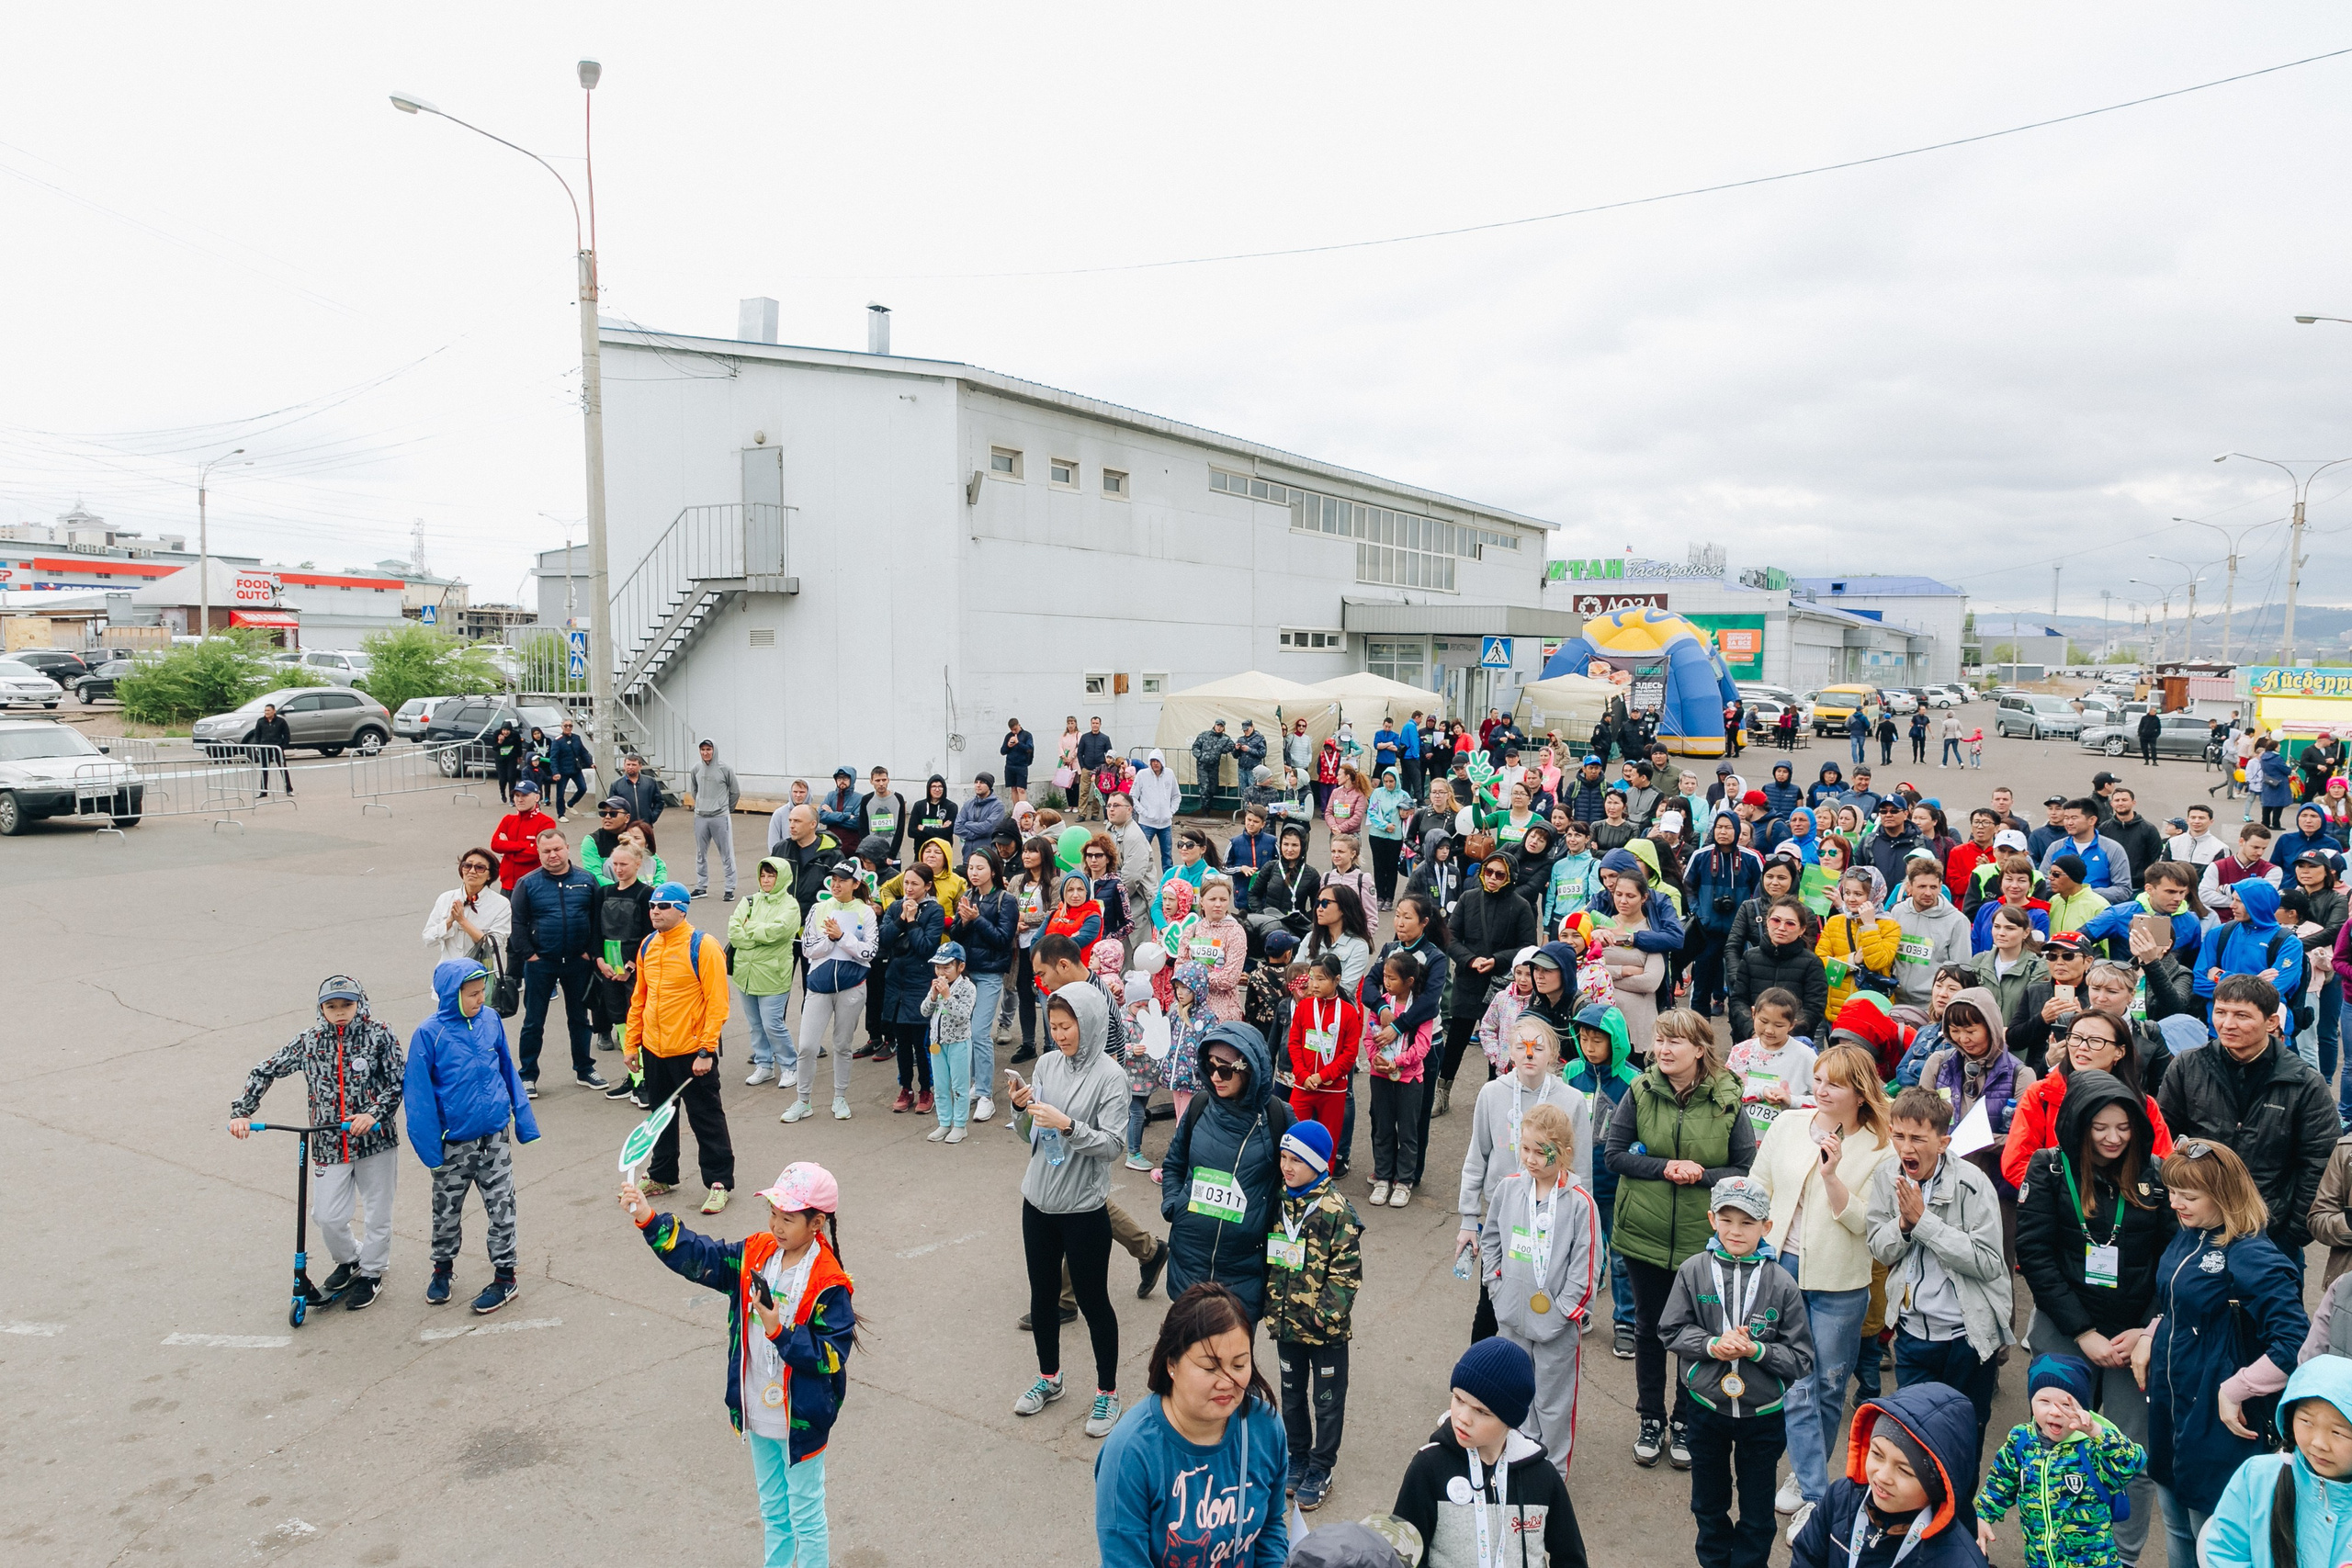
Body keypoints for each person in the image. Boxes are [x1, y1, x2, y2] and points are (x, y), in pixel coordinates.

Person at [618, 1161, 854, 1568]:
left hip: (802, 1418)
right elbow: (701, 1256)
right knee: (773, 1511)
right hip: (757, 1406)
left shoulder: (829, 1282)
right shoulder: (757, 1253)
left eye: (788, 1218)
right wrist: (648, 1219)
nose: (777, 1226)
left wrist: (779, 1331)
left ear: (817, 1222)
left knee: (806, 1513)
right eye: (774, 1215)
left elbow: (830, 1358)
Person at [2010, 1069, 2174, 1564]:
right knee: (2054, 1440)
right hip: (2066, 1328)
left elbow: (2170, 1259)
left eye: (2124, 1127)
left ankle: (2120, 1556)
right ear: (2079, 1124)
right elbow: (2034, 1254)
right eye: (2100, 1127)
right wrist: (2082, 1331)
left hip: (2135, 1337)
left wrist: (2146, 1331)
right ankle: (2055, 1547)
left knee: (2128, 1453)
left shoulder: (2155, 1174)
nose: (2112, 1138)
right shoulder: (2049, 1169)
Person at [2131, 1138, 2312, 1565]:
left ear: (2225, 1194)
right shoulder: (2190, 1233)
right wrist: (2150, 1334)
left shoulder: (2253, 1254)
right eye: (2172, 1191)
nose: (2176, 1204)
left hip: (2219, 1423)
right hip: (2171, 1409)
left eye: (2189, 1196)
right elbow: (2179, 1303)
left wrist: (2237, 1389)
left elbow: (2294, 1342)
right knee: (2176, 1528)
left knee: (2212, 1540)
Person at [1746, 1043, 1896, 1524]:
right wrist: (1754, 1247)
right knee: (1796, 1383)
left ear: (1860, 1091)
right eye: (1818, 1079)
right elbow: (1758, 1186)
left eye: (1834, 1083)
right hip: (1781, 1272)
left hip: (1842, 1282)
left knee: (1829, 1385)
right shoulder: (1790, 1126)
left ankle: (1802, 1476)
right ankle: (1815, 1492)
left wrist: (1832, 1177)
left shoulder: (1880, 1147)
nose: (1822, 1089)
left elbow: (1867, 1224)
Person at [1607, 1008, 1755, 1471]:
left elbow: (1744, 1168)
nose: (1664, 1050)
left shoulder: (1729, 1097)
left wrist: (1703, 1175)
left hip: (1701, 1240)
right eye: (1660, 1040)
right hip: (1643, 1234)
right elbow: (1613, 1155)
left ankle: (1686, 1421)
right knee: (1650, 1330)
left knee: (1696, 1335)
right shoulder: (1641, 1089)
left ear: (1700, 1049)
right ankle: (1650, 1419)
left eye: (1676, 1042)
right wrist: (1664, 1167)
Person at [1657, 1174, 1812, 1568]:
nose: (1736, 1231)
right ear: (1712, 1220)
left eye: (1747, 1223)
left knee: (1758, 1512)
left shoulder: (1782, 1283)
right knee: (1707, 1503)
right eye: (1727, 1220)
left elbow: (1801, 1358)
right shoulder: (1693, 1271)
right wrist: (1712, 1345)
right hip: (1705, 1409)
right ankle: (1713, 1562)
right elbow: (1670, 1330)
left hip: (1762, 1418)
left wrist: (1758, 1350)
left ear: (1767, 1227)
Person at [227, 976, 405, 1312]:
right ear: (321, 1008)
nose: (340, 1013)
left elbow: (399, 1082)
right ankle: (350, 1258)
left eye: (347, 1005)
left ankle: (371, 1273)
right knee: (327, 1216)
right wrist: (242, 1112)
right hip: (327, 1143)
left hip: (376, 1142)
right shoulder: (309, 1041)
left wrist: (375, 1114)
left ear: (360, 1003)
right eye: (332, 1006)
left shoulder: (379, 1034)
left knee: (377, 1212)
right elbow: (265, 1070)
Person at [1095, 1283, 1290, 1568]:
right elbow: (1123, 1559)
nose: (1228, 1383)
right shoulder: (1130, 1452)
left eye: (1239, 1365)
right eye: (1210, 1367)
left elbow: (1271, 1527)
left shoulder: (1265, 1427)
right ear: (1172, 1364)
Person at [1011, 983, 1130, 1435]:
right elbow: (1029, 1136)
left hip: (1083, 1209)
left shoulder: (1111, 1077)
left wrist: (1069, 1124)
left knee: (1094, 1300)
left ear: (1090, 1022)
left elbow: (1114, 1146)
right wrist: (1021, 1108)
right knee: (1042, 1296)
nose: (1058, 1035)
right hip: (1038, 1200)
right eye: (1053, 1026)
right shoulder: (1044, 1064)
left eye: (1067, 1026)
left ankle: (1107, 1393)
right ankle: (1049, 1378)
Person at [1865, 1087, 2015, 1446]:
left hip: (1967, 1338)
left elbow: (1989, 1262)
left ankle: (1960, 1504)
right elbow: (1880, 1249)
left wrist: (1923, 1222)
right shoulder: (1887, 1176)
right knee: (1914, 1442)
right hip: (1914, 1335)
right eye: (1898, 1136)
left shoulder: (1972, 1183)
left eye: (1918, 1138)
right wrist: (1902, 1225)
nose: (1906, 1148)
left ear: (1943, 1142)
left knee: (1963, 1438)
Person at [2157, 973, 2339, 1262]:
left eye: (2242, 1015)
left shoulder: (2304, 1082)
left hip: (2271, 1233)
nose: (2227, 1024)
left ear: (2271, 1021)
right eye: (2220, 1012)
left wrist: (2293, 1232)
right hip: (2194, 1226)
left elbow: (2319, 1162)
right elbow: (2163, 1141)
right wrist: (2174, 1211)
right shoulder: (2187, 1066)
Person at [403, 958, 539, 1313]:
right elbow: (417, 1096)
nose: (482, 999)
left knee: (502, 1207)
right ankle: (442, 1271)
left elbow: (508, 1069)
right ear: (452, 994)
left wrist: (523, 1122)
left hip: (494, 1136)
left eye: (483, 992)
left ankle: (506, 1277)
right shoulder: (429, 1034)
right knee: (446, 1211)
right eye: (474, 994)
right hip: (454, 1144)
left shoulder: (491, 1020)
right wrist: (432, 1150)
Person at [1476, 1101, 1600, 1481]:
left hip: (1556, 1328)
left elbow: (1587, 1267)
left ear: (1563, 1153)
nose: (1529, 1159)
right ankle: (1517, 1463)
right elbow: (1492, 1237)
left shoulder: (1581, 1205)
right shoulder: (1510, 1189)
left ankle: (1553, 1474)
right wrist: (1496, 1286)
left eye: (1539, 1151)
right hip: (1512, 1317)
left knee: (1553, 1403)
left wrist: (1563, 1313)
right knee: (1515, 1395)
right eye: (1525, 1148)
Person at [1390, 1337, 1588, 1568]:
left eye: (1481, 1412)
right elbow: (1402, 1557)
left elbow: (1570, 1557)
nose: (1463, 1417)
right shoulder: (1428, 1467)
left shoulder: (1542, 1476)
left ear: (1510, 1421)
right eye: (1458, 1399)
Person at [1458, 1018, 1593, 1342]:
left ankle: (1530, 1378)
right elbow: (1478, 1156)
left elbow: (1583, 1167)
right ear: (1510, 1053)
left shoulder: (1572, 1099)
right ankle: (1479, 1381)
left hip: (1555, 1215)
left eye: (1538, 1047)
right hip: (1504, 1214)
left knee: (1543, 1292)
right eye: (1521, 1047)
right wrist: (1468, 1218)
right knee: (1491, 1300)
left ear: (1553, 1054)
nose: (1530, 1054)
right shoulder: (1491, 1094)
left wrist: (1581, 1223)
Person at [1162, 1018, 1294, 1319]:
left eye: (1225, 1069)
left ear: (1249, 1070)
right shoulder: (1199, 1107)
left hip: (1243, 1271)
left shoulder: (1278, 1117)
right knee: (1190, 1358)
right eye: (1210, 1067)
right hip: (1189, 1262)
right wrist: (1174, 1206)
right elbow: (1174, 1163)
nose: (1216, 1077)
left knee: (1234, 1362)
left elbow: (1300, 1182)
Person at [1264, 1121, 1363, 1512]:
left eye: (1297, 1160)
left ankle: (1322, 1466)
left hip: (1325, 1334)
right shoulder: (1280, 1199)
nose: (1287, 1167)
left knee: (1326, 1400)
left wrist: (1326, 1315)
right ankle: (1298, 1457)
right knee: (1290, 1397)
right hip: (1287, 1325)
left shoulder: (1335, 1209)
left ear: (1318, 1164)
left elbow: (1347, 1272)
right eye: (1284, 1158)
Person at [1784, 1381, 1987, 1567]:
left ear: (1939, 1483)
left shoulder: (1959, 1561)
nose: (1882, 1476)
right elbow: (1806, 1558)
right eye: (1877, 1454)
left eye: (1904, 1470)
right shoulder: (1839, 1498)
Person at [1971, 1353, 2146, 1568]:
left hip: (2094, 1562)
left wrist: (2095, 1431)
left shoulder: (2092, 1445)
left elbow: (2132, 1462)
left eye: (2066, 1404)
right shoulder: (2021, 1440)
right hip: (2040, 1560)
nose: (2055, 1412)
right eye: (2044, 1401)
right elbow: (2001, 1480)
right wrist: (1983, 1514)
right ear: (2031, 1402)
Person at [627, 882, 735, 1211]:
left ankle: (719, 1182)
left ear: (682, 910)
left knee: (706, 1117)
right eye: (653, 907)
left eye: (664, 906)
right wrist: (632, 1043)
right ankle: (662, 1174)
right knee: (660, 1117)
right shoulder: (648, 945)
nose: (655, 912)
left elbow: (718, 1002)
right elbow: (640, 997)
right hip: (655, 1049)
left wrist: (706, 1050)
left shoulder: (703, 946)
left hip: (692, 1051)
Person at [509, 828, 603, 1093]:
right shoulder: (528, 883)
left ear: (567, 848)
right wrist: (530, 954)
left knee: (580, 1019)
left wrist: (590, 952)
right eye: (546, 851)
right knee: (533, 1022)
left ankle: (585, 1069)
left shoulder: (587, 880)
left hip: (577, 961)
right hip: (541, 963)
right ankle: (527, 1075)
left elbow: (597, 920)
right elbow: (517, 922)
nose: (553, 855)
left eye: (557, 849)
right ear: (539, 853)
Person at [786, 862, 877, 1124]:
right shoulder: (818, 908)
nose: (836, 884)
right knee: (806, 1046)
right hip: (818, 985)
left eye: (843, 880)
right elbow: (808, 949)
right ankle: (803, 1101)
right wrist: (831, 939)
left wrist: (842, 938)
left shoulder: (866, 912)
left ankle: (840, 1097)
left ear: (856, 884)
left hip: (852, 987)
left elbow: (869, 952)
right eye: (834, 879)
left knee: (842, 1045)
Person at [1363, 950, 1434, 1209]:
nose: (1387, 983)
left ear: (1409, 981)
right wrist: (1375, 1059)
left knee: (1408, 1130)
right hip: (1379, 1074)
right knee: (1381, 1126)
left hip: (1409, 1079)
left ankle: (1404, 1181)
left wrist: (1398, 1062)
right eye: (1384, 977)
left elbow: (1423, 1047)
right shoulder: (1381, 1004)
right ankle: (1382, 1177)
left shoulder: (1421, 1009)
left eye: (1392, 978)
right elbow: (1370, 1036)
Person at [585, 842, 655, 1099]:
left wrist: (632, 966)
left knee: (640, 1022)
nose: (618, 869)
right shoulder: (603, 893)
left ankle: (645, 1080)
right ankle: (635, 1077)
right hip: (608, 971)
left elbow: (650, 935)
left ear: (638, 864)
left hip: (634, 971)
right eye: (615, 864)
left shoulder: (646, 894)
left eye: (623, 864)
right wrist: (599, 960)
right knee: (620, 1021)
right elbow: (595, 931)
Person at [731, 855, 805, 1091]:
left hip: (773, 974)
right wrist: (758, 934)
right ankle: (764, 1064)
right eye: (763, 875)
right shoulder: (749, 900)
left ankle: (790, 1065)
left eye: (771, 875)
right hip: (746, 974)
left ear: (780, 877)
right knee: (755, 1024)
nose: (765, 880)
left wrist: (749, 929)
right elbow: (734, 931)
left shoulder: (791, 905)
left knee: (773, 1024)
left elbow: (780, 932)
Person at [1285, 953, 1361, 1145]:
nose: (1314, 985)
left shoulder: (1348, 1012)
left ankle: (1327, 1174)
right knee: (1294, 1136)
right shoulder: (1304, 1007)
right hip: (1304, 1083)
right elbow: (1294, 1044)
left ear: (1337, 980)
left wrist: (1324, 1076)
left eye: (1321, 979)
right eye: (1312, 978)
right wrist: (1302, 1074)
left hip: (1333, 1087)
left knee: (1329, 1140)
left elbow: (1350, 1054)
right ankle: (1292, 1174)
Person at [1816, 872, 1900, 1026]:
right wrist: (1852, 960)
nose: (1850, 899)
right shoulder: (1835, 922)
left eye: (1858, 894)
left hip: (1873, 1011)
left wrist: (1869, 925)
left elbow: (1877, 963)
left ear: (1874, 895)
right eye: (1847, 893)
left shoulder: (1890, 925)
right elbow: (1820, 965)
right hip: (1837, 1011)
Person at [1892, 861, 1972, 1010]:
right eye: (1922, 886)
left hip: (1931, 1006)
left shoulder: (1957, 921)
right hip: (1896, 1001)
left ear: (1941, 887)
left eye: (1933, 887)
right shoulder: (1898, 912)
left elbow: (1961, 971)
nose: (1928, 893)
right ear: (1909, 887)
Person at [424, 846, 512, 968]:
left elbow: (493, 945)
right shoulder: (446, 898)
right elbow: (428, 939)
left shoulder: (501, 904)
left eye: (479, 868)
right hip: (449, 974)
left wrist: (463, 921)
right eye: (467, 865)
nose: (472, 871)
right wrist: (449, 921)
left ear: (490, 875)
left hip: (481, 975)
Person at [684, 739, 741, 900]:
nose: (705, 753)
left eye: (708, 749)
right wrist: (701, 804)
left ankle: (729, 888)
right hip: (701, 817)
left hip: (720, 816)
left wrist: (726, 808)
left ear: (714, 750)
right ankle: (701, 887)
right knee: (701, 854)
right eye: (702, 750)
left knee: (726, 853)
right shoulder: (696, 769)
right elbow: (694, 790)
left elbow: (735, 792)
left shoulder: (725, 769)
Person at [489, 777, 556, 892]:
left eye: (524, 795)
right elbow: (495, 845)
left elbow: (535, 853)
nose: (520, 799)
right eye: (517, 795)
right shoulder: (508, 820)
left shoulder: (546, 822)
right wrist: (524, 845)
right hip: (507, 885)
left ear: (537, 798)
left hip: (532, 887)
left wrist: (507, 848)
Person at [243, 699, 295, 796]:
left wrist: (283, 746)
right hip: (265, 748)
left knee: (283, 768)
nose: (266, 712)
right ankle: (263, 791)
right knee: (264, 769)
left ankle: (289, 789)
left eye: (268, 710)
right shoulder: (261, 721)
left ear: (274, 711)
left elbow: (286, 735)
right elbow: (257, 735)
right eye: (265, 711)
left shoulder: (281, 721)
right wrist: (258, 746)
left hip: (277, 747)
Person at [548, 718, 592, 818]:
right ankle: (561, 814)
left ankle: (570, 804)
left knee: (583, 788)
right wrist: (555, 772)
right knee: (560, 794)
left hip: (575, 769)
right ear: (562, 727)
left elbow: (583, 752)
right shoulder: (557, 740)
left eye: (570, 726)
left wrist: (590, 763)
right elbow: (553, 758)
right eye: (566, 726)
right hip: (562, 771)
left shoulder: (576, 738)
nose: (568, 728)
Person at [489, 721, 522, 803]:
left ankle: (512, 797)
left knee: (511, 777)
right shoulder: (497, 734)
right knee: (503, 778)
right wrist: (500, 742)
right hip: (500, 759)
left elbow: (519, 746)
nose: (506, 732)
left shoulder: (515, 735)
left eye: (507, 730)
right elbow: (494, 748)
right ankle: (502, 793)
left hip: (512, 758)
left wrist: (519, 756)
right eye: (504, 730)